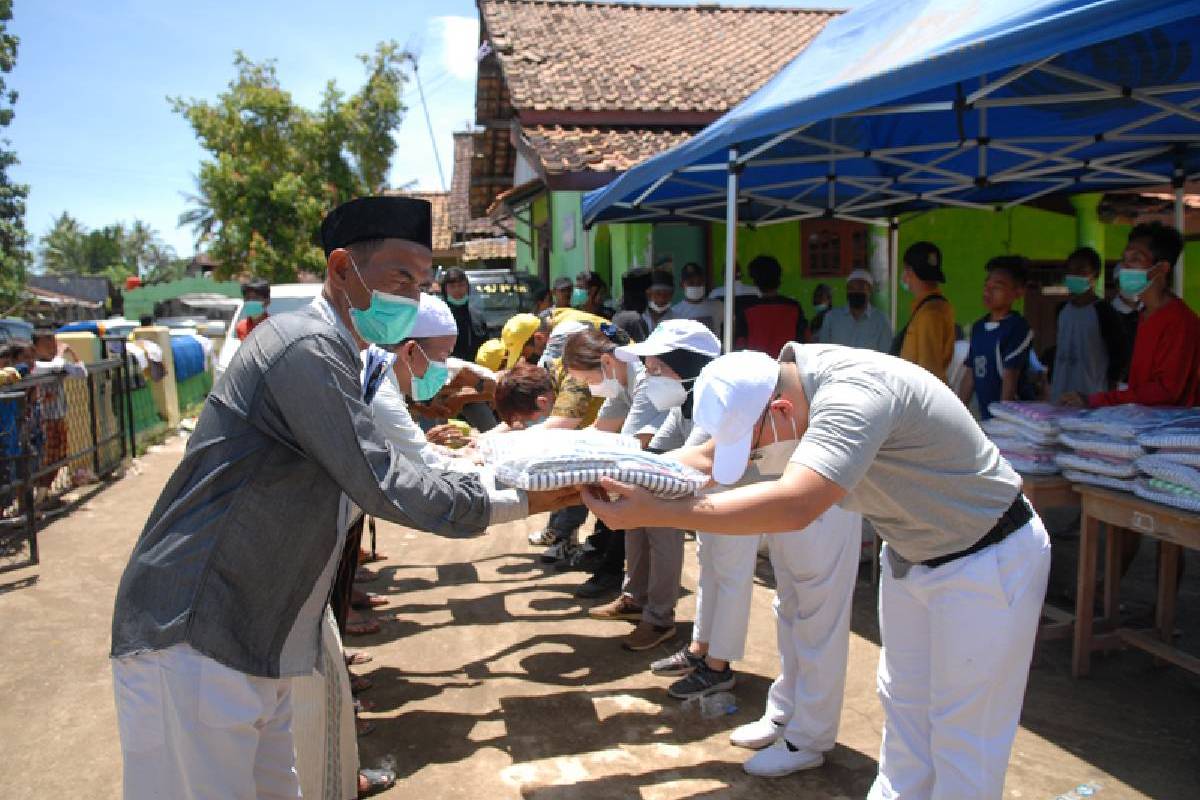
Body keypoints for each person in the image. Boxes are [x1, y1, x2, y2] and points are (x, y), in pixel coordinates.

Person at [108, 196, 574, 800]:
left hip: (254, 637)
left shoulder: (346, 359)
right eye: (399, 278)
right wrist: (524, 499)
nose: (409, 297)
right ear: (339, 270)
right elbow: (383, 480)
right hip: (196, 633)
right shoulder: (303, 348)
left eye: (423, 284)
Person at [583, 343, 1051, 799]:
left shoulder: (853, 398)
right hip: (914, 554)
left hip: (983, 557)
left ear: (782, 411)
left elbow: (795, 505)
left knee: (963, 733)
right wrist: (623, 471)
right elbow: (705, 460)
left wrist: (659, 512)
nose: (753, 463)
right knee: (905, 706)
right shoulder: (781, 391)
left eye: (754, 452)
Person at [563, 325, 670, 625]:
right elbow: (599, 429)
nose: (589, 387)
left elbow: (629, 444)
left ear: (607, 363)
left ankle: (659, 618)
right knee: (636, 530)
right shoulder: (622, 382)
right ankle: (635, 599)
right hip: (648, 468)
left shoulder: (645, 380)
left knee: (662, 538)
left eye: (586, 380)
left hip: (668, 468)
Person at [1062, 222, 1200, 409]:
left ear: (1162, 269)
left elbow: (1166, 392)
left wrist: (1098, 400)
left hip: (1170, 433)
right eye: (1124, 258)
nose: (1125, 266)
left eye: (1136, 258)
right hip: (1144, 423)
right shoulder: (1145, 314)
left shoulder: (1179, 322)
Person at [959, 256, 1034, 419]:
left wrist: (1002, 421)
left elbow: (1010, 378)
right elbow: (970, 374)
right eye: (987, 285)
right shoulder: (978, 327)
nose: (988, 291)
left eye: (997, 287)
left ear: (1018, 292)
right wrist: (957, 412)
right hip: (987, 415)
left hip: (1011, 419)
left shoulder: (1017, 328)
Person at [1049, 246, 1126, 402]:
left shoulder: (1104, 312)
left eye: (1081, 270)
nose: (1074, 274)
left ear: (1095, 275)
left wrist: (1108, 393)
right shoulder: (1062, 311)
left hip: (1091, 395)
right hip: (1060, 394)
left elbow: (1120, 354)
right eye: (1070, 270)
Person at [892, 241, 956, 382]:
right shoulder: (932, 307)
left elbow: (929, 369)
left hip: (921, 395)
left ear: (908, 272)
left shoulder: (929, 313)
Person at [735, 255, 807, 358]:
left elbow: (740, 345)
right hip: (787, 369)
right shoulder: (794, 308)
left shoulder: (747, 311)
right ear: (779, 278)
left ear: (755, 281)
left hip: (756, 368)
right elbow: (804, 342)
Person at [818, 269, 892, 352]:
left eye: (861, 288)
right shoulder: (832, 318)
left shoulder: (881, 320)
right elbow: (823, 351)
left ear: (870, 290)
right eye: (852, 288)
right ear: (847, 291)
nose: (856, 291)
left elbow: (886, 354)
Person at [441, 266, 487, 363]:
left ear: (467, 287)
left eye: (461, 285)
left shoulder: (477, 317)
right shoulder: (439, 317)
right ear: (445, 290)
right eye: (452, 286)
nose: (457, 290)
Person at [671, 262, 721, 338]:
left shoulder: (719, 306)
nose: (695, 285)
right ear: (681, 285)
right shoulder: (674, 312)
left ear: (705, 283)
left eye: (699, 282)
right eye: (690, 283)